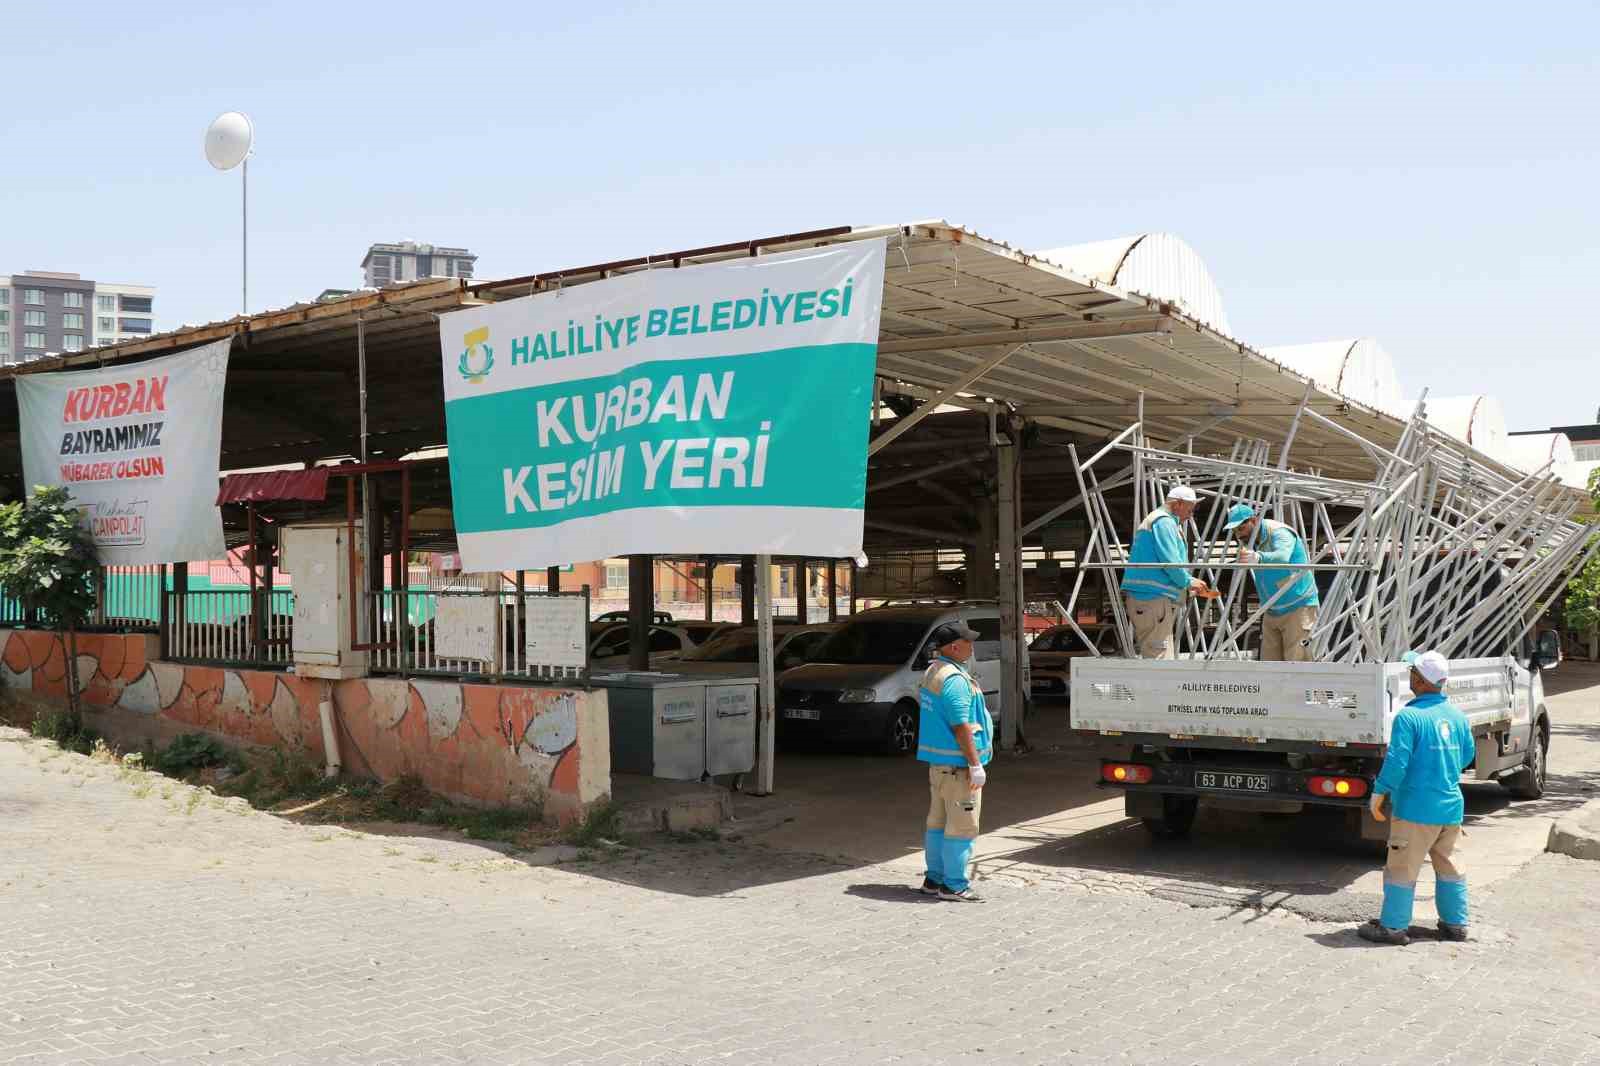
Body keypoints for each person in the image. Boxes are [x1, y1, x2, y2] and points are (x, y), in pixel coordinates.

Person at [1359, 649, 1476, 946]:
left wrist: (1379, 792)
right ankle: (1456, 924)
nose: (1409, 675)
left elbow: (1397, 762)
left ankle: (1393, 928)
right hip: (1450, 808)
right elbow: (1467, 755)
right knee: (1450, 867)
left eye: (1413, 672)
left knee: (1401, 868)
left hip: (1415, 809)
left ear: (1421, 681)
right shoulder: (1457, 715)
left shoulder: (1409, 717)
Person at [914, 621, 994, 902]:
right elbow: (962, 726)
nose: (972, 647)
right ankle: (954, 885)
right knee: (962, 828)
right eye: (968, 642)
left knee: (937, 823)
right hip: (959, 769)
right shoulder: (955, 680)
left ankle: (933, 879)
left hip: (939, 767)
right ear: (954, 647)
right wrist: (975, 765)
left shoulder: (933, 672)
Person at [1221, 504, 1321, 661]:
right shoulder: (1253, 540)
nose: (1238, 535)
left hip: (1297, 607)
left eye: (1240, 529)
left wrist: (1259, 558)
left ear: (1253, 521)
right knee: (1270, 666)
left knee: (1298, 665)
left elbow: (1282, 557)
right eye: (1234, 531)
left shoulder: (1279, 532)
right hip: (1271, 609)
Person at [1122, 485, 1210, 659]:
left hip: (1147, 599)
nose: (1191, 514)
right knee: (1159, 658)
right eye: (1190, 508)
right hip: (1152, 600)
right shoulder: (1164, 521)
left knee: (1158, 655)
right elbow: (1170, 560)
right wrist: (1188, 582)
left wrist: (1185, 582)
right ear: (1177, 504)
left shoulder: (1159, 520)